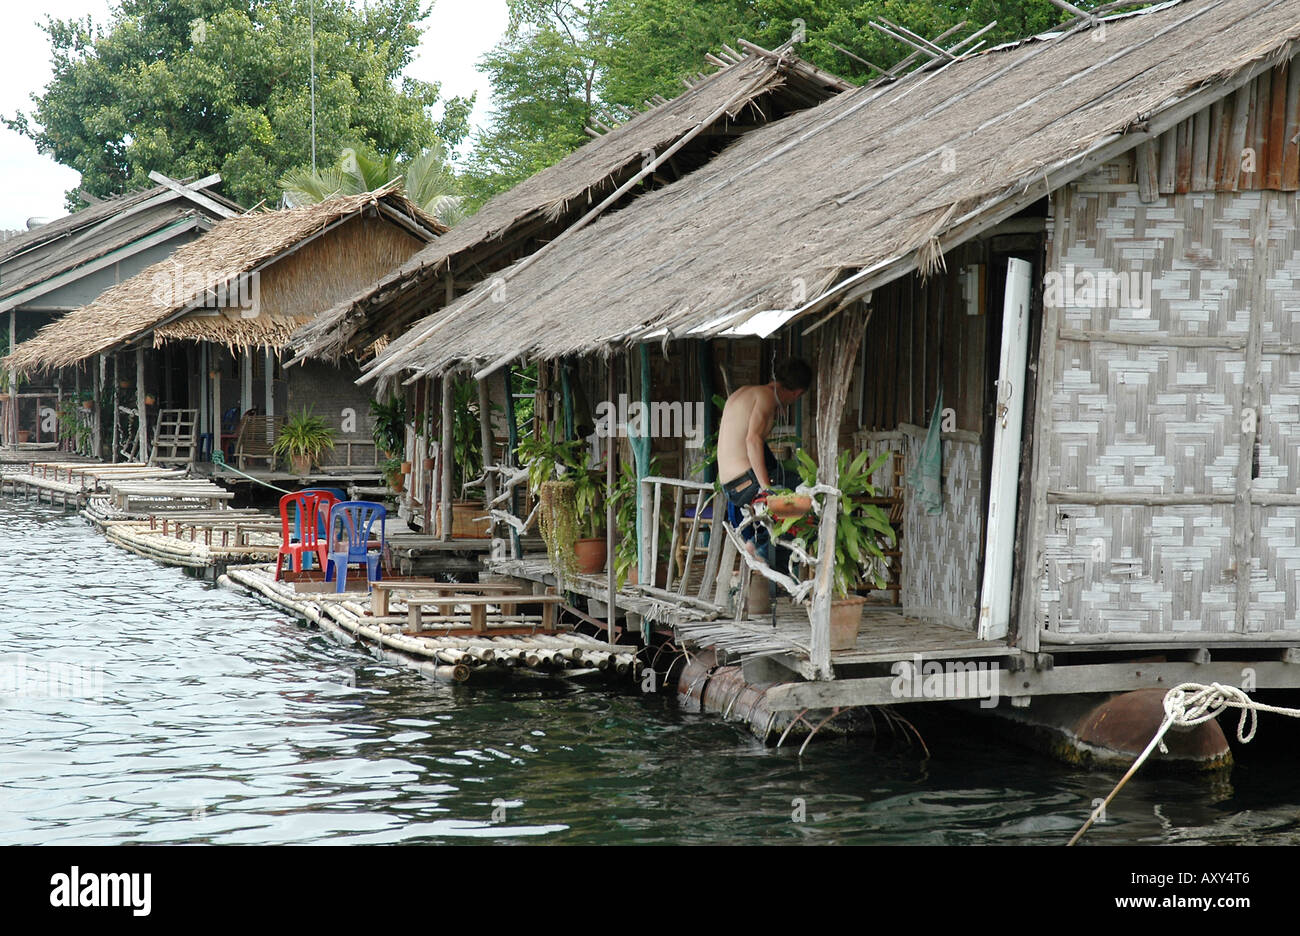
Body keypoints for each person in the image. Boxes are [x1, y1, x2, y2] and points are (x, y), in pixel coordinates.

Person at [717, 357, 812, 557]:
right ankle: (760, 550)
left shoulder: (744, 393)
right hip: (746, 482)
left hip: (731, 484)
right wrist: (766, 489)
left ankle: (758, 545)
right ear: (797, 393)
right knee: (808, 497)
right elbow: (752, 440)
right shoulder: (766, 397)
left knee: (793, 484)